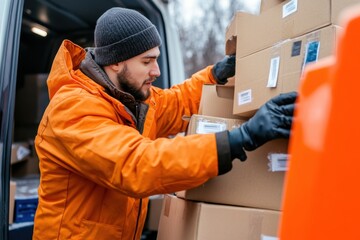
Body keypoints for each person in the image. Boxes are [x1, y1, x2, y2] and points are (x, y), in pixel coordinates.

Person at [32, 7, 297, 240]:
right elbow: (137, 164)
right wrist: (241, 138)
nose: (156, 71)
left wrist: (215, 75)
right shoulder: (72, 109)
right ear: (115, 62)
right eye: (147, 61)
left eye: (156, 59)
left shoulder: (133, 100)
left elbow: (176, 102)